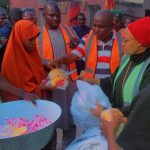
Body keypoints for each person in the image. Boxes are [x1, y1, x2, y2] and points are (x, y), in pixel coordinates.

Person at [83, 17, 150, 150]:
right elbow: (113, 80)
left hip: (133, 132)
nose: (122, 44)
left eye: (126, 41)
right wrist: (93, 81)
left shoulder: (148, 68)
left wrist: (107, 113)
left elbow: (141, 108)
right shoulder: (127, 58)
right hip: (116, 124)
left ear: (141, 43)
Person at [50, 10, 123, 97]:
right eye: (94, 25)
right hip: (91, 89)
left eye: (101, 27)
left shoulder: (122, 41)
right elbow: (74, 55)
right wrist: (61, 60)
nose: (96, 30)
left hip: (112, 89)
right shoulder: (87, 39)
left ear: (111, 27)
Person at [37, 1, 79, 149]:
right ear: (44, 15)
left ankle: (69, 146)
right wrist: (44, 62)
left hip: (70, 84)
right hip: (51, 87)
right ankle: (53, 145)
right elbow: (34, 58)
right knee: (52, 119)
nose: (56, 18)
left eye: (58, 15)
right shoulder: (38, 34)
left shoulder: (68, 29)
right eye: (52, 15)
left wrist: (77, 43)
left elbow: (78, 49)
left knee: (72, 117)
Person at [1, 20, 47, 101]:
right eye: (30, 39)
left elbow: (38, 73)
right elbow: (11, 91)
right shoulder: (10, 63)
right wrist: (38, 88)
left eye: (35, 38)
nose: (34, 43)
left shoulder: (32, 52)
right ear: (20, 39)